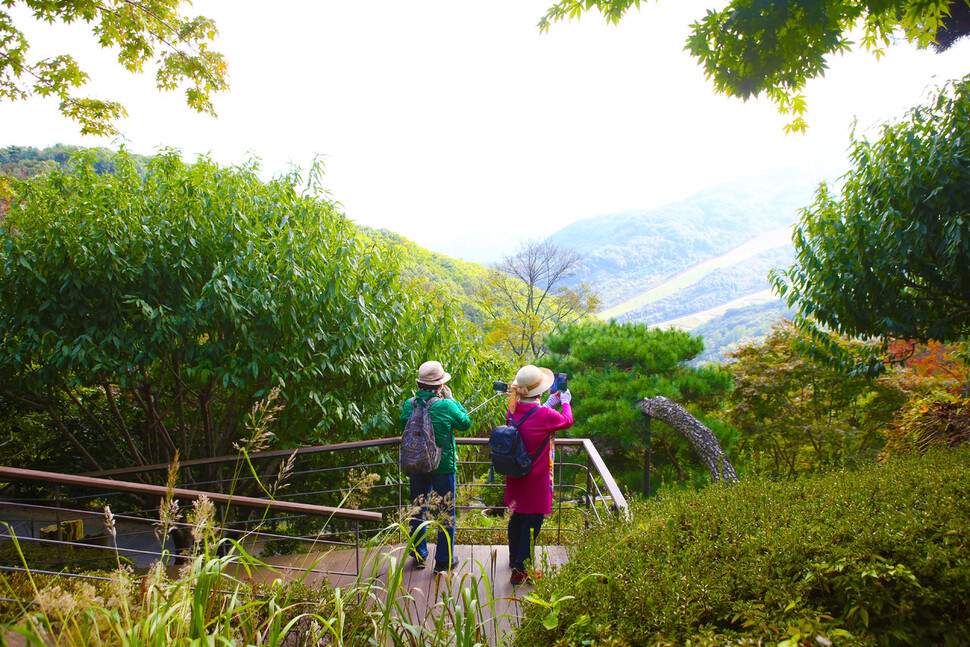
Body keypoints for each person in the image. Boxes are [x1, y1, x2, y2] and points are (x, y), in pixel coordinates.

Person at [503, 364, 573, 585]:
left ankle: (514, 558)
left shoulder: (512, 409)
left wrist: (549, 403)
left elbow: (531, 415)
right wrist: (565, 402)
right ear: (539, 392)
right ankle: (521, 571)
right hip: (536, 477)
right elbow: (566, 421)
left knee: (515, 518)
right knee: (531, 522)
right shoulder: (545, 415)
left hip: (515, 475)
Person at [399, 360, 471, 573]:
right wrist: (452, 400)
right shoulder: (446, 405)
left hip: (416, 465)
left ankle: (419, 554)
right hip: (443, 467)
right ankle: (443, 559)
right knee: (446, 511)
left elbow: (404, 427)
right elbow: (465, 424)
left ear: (419, 384)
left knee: (417, 509)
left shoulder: (409, 404)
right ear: (440, 386)